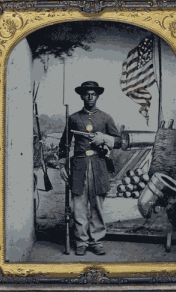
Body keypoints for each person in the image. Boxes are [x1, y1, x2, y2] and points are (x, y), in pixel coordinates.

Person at [58, 81, 121, 256]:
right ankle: (81, 242)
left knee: (97, 207)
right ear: (82, 96)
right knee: (78, 207)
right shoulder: (73, 118)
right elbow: (63, 144)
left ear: (98, 96)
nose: (90, 97)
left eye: (93, 94)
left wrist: (104, 139)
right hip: (79, 166)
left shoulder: (106, 118)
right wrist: (63, 164)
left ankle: (97, 241)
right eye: (87, 94)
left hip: (99, 166)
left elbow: (119, 141)